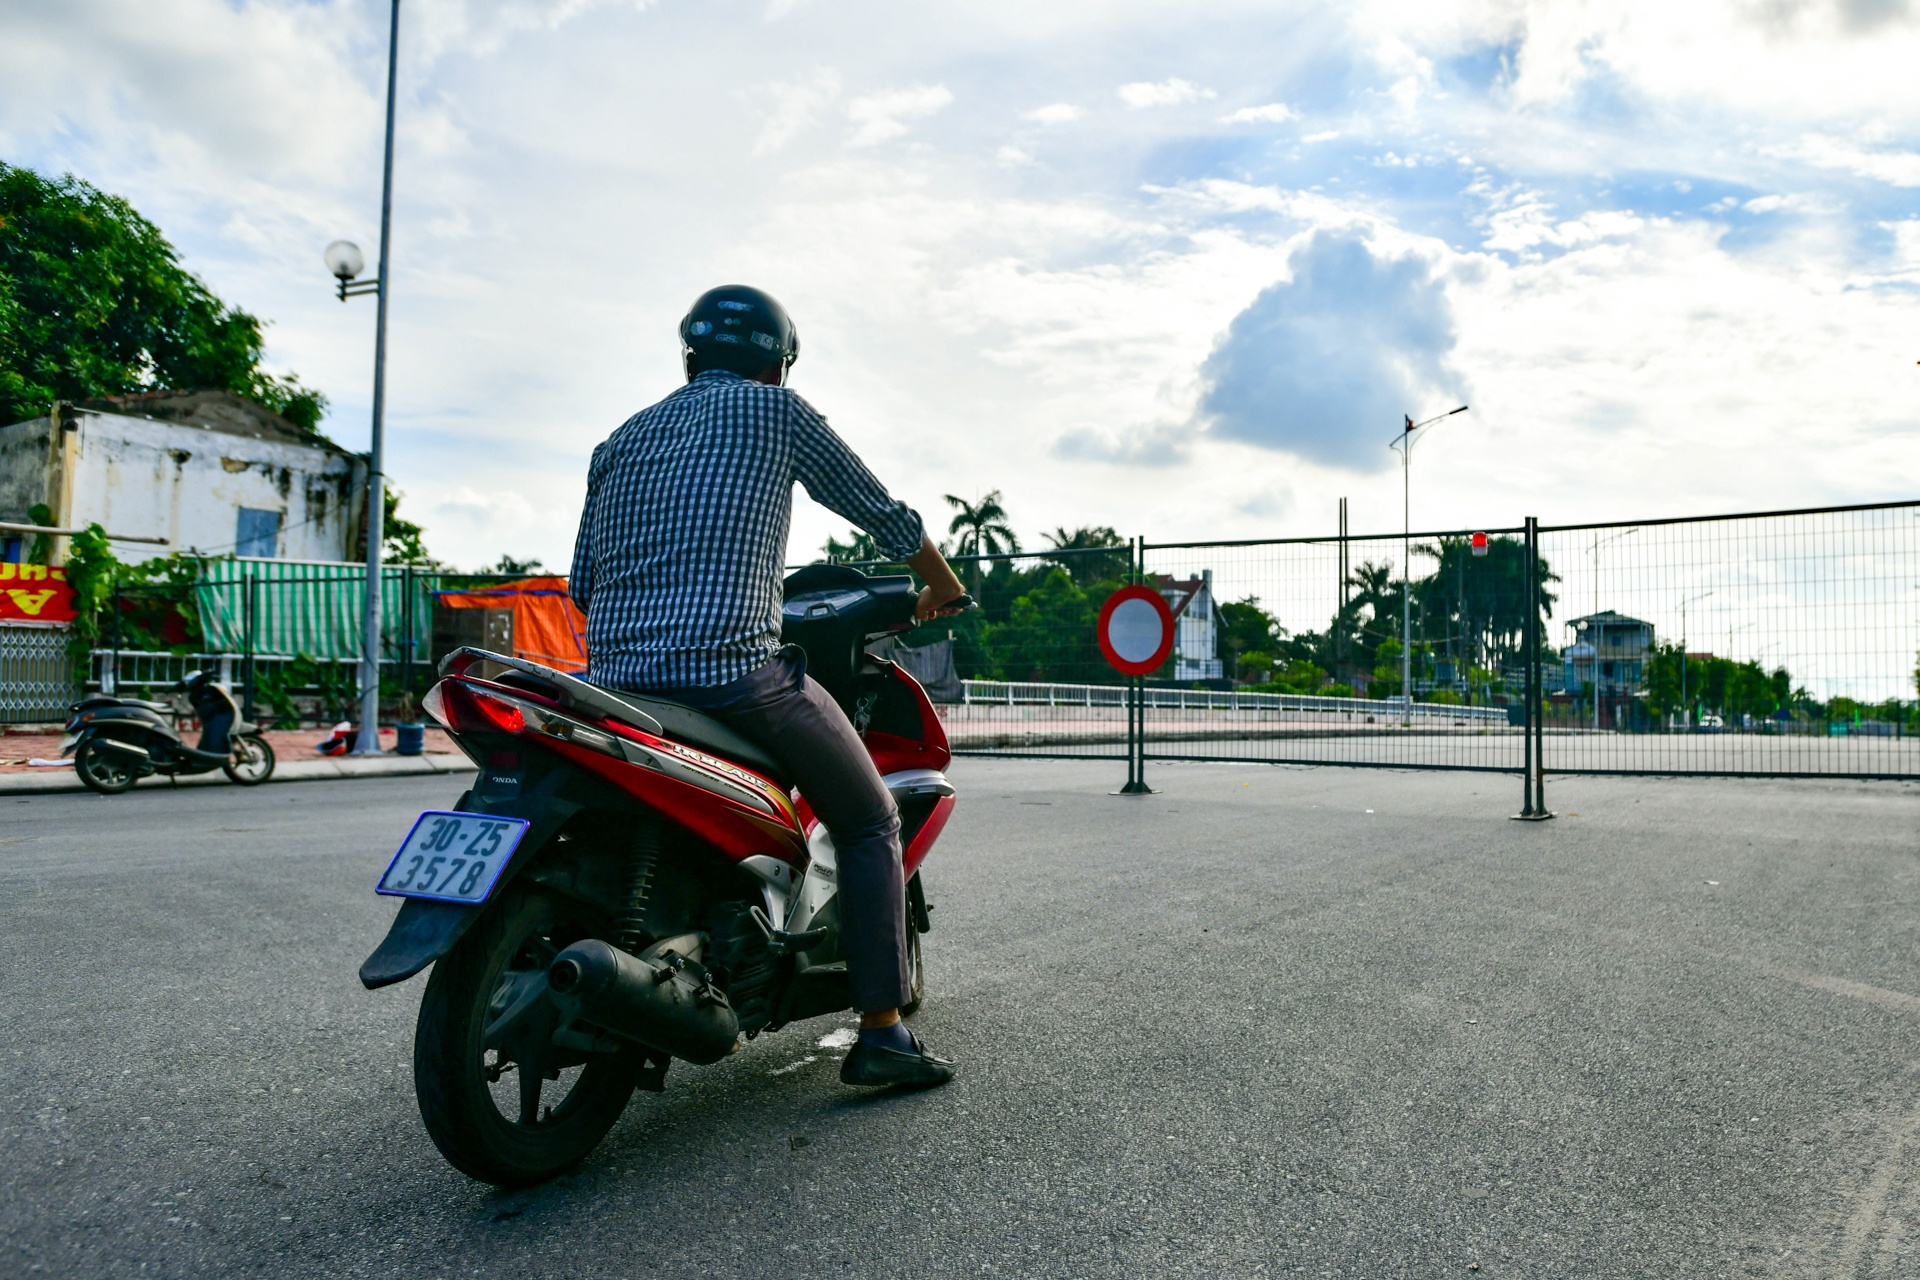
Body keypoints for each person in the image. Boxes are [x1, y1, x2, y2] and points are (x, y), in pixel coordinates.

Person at [569, 284, 967, 1088]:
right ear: (778, 366)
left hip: (614, 686)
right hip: (732, 676)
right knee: (868, 820)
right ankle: (883, 1034)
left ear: (689, 357)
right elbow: (879, 512)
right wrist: (941, 583)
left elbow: (582, 584)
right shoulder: (774, 413)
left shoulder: (618, 440)